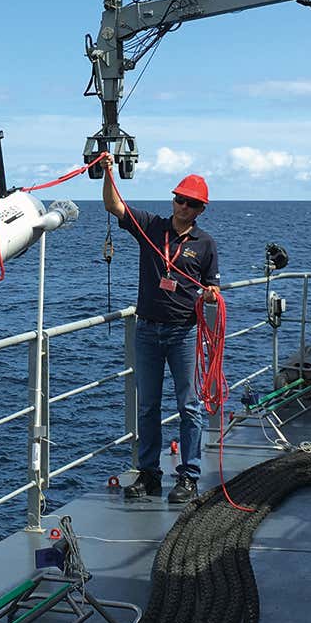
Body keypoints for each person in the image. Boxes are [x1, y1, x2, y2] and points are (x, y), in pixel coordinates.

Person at [99, 152, 220, 504]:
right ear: (174, 200)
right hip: (148, 331)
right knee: (148, 406)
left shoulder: (205, 244)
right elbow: (114, 206)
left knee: (189, 406)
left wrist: (211, 296)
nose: (183, 206)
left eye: (191, 203)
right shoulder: (152, 227)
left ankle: (189, 476)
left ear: (200, 210)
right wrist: (108, 172)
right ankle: (149, 474)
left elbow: (212, 289)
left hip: (183, 332)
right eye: (180, 199)